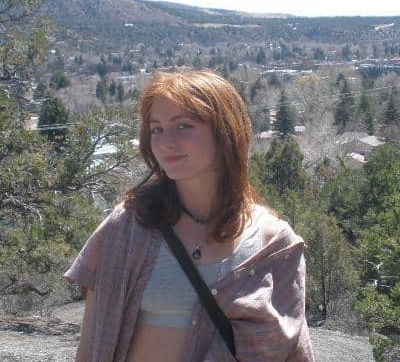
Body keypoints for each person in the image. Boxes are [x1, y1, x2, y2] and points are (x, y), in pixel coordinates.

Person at [64, 70, 315, 362]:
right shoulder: (127, 228)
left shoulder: (275, 246)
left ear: (225, 132)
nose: (165, 142)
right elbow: (90, 345)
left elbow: (295, 351)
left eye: (183, 126)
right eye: (156, 129)